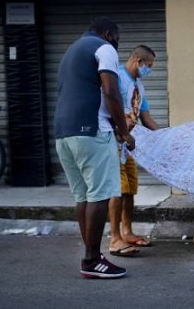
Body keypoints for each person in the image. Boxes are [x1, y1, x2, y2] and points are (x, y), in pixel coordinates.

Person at [54, 17, 135, 279]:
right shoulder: (104, 48)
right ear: (108, 33)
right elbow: (111, 92)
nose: (118, 44)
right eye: (118, 38)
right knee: (100, 195)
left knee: (84, 196)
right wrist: (123, 132)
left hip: (63, 134)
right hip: (91, 132)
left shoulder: (71, 51)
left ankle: (92, 257)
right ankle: (91, 260)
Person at [108, 45, 160, 257]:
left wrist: (167, 136)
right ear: (138, 61)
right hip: (112, 141)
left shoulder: (139, 86)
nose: (149, 70)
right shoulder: (116, 78)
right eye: (148, 66)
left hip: (128, 144)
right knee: (117, 189)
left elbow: (145, 118)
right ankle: (114, 238)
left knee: (129, 189)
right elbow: (108, 103)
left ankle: (127, 231)